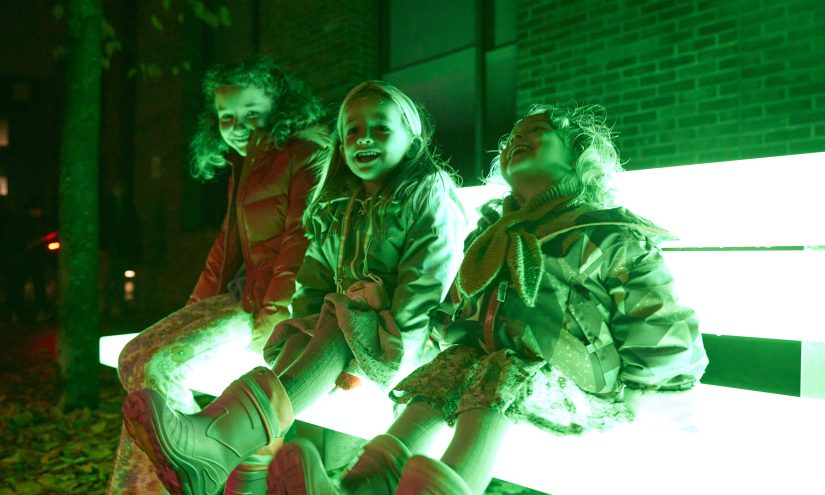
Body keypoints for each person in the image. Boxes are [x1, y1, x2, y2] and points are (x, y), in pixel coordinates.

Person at [266, 104, 710, 494]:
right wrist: (448, 333)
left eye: (537, 133)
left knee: (500, 369)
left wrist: (658, 393)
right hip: (494, 371)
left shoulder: (605, 233)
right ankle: (362, 484)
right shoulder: (493, 234)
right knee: (447, 371)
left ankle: (446, 487)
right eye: (514, 136)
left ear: (579, 155)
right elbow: (458, 306)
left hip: (579, 391)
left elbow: (654, 314)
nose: (520, 139)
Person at [120, 80, 467, 495]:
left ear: (412, 139)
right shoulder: (338, 203)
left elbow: (424, 293)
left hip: (408, 344)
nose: (364, 139)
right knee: (302, 342)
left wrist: (377, 358)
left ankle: (220, 444)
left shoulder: (426, 194)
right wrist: (305, 326)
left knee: (339, 326)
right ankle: (243, 472)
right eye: (352, 130)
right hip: (341, 335)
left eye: (380, 128)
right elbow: (313, 283)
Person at [106, 57, 328, 495]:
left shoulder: (305, 154)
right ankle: (183, 475)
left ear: (281, 109)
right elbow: (226, 249)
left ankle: (179, 476)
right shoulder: (247, 166)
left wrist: (274, 312)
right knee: (131, 355)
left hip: (266, 305)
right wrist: (192, 309)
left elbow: (300, 240)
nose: (239, 125)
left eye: (252, 113)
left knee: (159, 366)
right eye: (228, 117)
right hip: (238, 298)